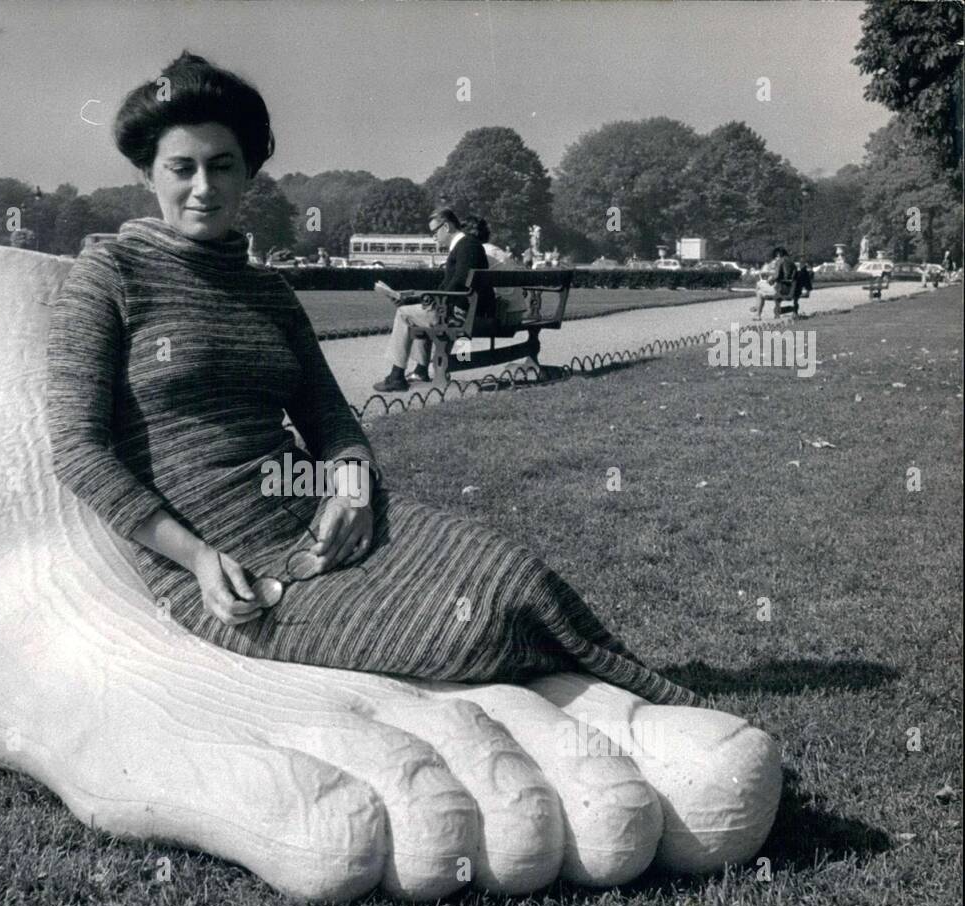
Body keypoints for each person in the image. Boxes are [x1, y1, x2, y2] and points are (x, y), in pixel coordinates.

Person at [45, 51, 698, 708]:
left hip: (323, 514)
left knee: (515, 576)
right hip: (225, 562)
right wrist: (194, 558)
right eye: (181, 168)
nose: (203, 188)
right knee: (466, 629)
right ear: (146, 172)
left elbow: (330, 419)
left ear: (247, 173)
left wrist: (353, 488)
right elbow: (76, 445)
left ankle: (666, 706)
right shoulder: (112, 275)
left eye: (223, 166)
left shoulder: (267, 292)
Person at [372, 208, 492, 393]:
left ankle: (396, 376)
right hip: (469, 310)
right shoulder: (469, 246)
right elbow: (451, 286)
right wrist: (417, 299)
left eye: (434, 232)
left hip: (461, 314)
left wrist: (427, 301)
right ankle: (420, 371)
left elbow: (458, 284)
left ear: (446, 226)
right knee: (416, 312)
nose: (433, 237)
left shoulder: (466, 247)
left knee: (404, 314)